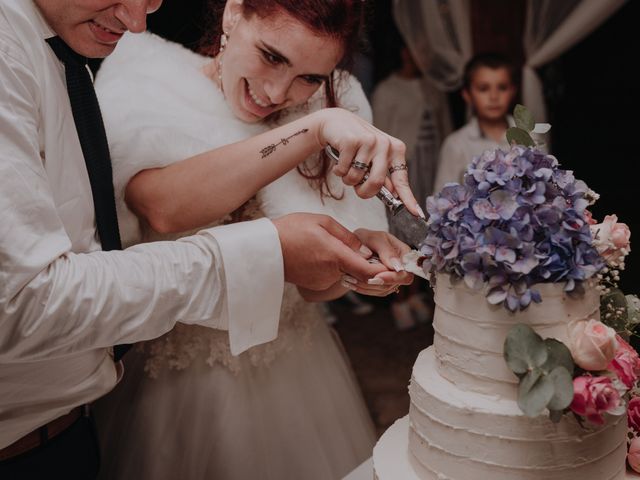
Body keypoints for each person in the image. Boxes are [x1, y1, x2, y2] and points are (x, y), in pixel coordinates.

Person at [0, 1, 415, 478]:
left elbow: (313, 287)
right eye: (272, 57)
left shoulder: (339, 103)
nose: (279, 92)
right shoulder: (152, 76)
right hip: (180, 379)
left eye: (309, 79)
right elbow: (162, 205)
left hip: (294, 368)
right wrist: (309, 131)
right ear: (234, 15)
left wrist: (359, 265)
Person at [371, 39, 434, 330]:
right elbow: (379, 131)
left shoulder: (432, 88)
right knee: (401, 225)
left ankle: (415, 293)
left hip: (428, 164)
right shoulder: (388, 89)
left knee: (423, 226)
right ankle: (400, 296)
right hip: (401, 167)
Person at [433, 53, 517, 192]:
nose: (494, 97)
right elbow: (442, 199)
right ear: (467, 94)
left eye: (502, 87)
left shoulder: (530, 136)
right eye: (483, 88)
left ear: (512, 91)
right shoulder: (455, 144)